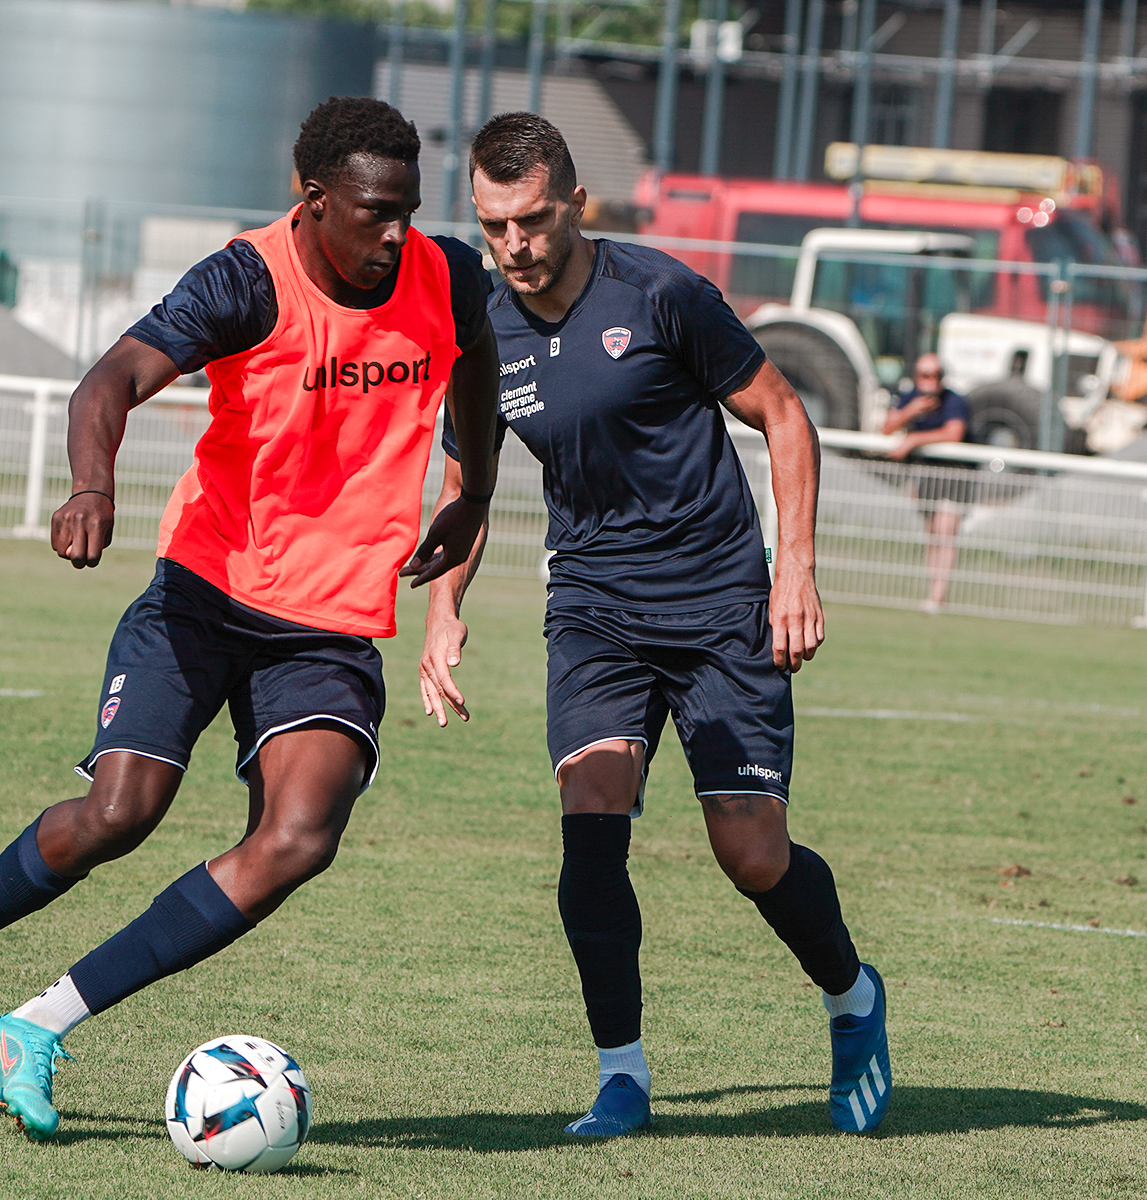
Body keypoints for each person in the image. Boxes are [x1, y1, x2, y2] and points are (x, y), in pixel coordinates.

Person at [0, 96, 500, 1141]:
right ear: (313, 199)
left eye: (407, 212)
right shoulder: (245, 279)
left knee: (297, 838)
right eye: (373, 212)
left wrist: (472, 494)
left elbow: (479, 379)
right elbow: (111, 378)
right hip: (203, 595)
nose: (394, 234)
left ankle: (38, 1025)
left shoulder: (447, 274)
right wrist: (91, 486)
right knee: (120, 814)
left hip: (327, 625)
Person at [419, 113, 890, 1137]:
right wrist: (443, 611)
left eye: (533, 222)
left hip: (723, 603)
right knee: (591, 827)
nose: (514, 248)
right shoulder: (483, 332)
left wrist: (793, 568)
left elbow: (782, 413)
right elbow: (471, 478)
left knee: (750, 854)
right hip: (593, 607)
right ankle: (622, 1075)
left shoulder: (662, 294)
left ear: (576, 206)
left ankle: (853, 996)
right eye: (493, 227)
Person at [884, 352, 971, 613]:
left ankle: (937, 597)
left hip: (956, 476)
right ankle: (933, 593)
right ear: (916, 376)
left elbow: (954, 433)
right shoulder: (909, 397)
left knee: (946, 532)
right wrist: (912, 411)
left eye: (937, 375)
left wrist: (913, 440)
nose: (931, 381)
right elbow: (886, 427)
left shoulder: (955, 401)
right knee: (933, 534)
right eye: (925, 375)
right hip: (927, 477)